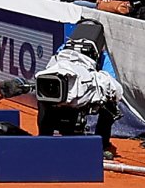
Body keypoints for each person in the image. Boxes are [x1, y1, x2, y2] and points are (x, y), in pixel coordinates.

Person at [30, 19, 124, 158]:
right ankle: (44, 138)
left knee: (110, 103)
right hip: (64, 93)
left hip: (86, 94)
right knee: (45, 96)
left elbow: (111, 84)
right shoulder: (64, 51)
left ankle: (101, 142)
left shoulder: (102, 57)